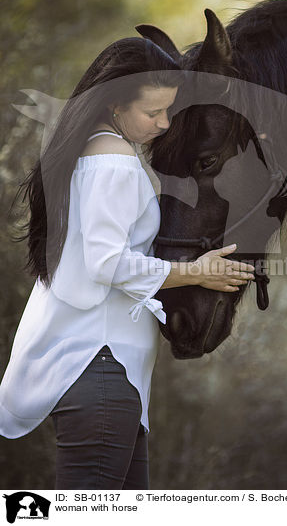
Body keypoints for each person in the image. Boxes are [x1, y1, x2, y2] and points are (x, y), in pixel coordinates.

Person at [0, 36, 255, 490]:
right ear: (115, 105)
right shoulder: (113, 161)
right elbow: (106, 264)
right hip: (99, 368)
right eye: (152, 112)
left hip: (108, 372)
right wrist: (196, 272)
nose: (163, 124)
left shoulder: (97, 151)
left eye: (168, 111)